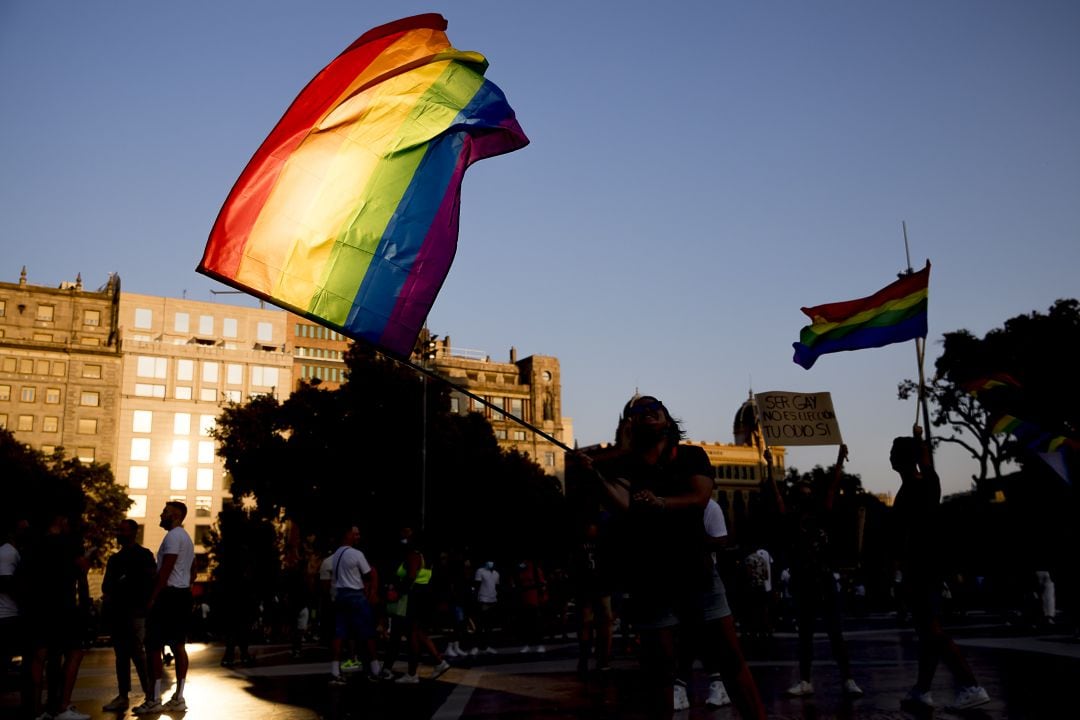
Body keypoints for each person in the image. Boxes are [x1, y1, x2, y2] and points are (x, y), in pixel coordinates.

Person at [570, 394, 716, 714]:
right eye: (639, 411)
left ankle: (718, 685)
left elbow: (699, 497)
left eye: (654, 408)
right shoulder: (627, 466)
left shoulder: (690, 456)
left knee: (724, 655)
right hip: (651, 578)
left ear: (667, 419)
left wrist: (662, 503)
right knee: (659, 668)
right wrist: (596, 471)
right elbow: (620, 504)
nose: (647, 412)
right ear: (630, 425)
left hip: (695, 571)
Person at [890, 429, 990, 711]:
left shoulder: (914, 488)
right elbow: (928, 464)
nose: (890, 455)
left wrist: (902, 572)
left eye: (894, 451)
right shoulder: (927, 483)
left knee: (932, 631)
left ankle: (971, 685)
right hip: (925, 567)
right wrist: (919, 440)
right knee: (926, 632)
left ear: (902, 459)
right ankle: (922, 689)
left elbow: (906, 536)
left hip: (921, 568)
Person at [764, 444, 863, 699]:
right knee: (806, 634)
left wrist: (840, 460)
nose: (805, 495)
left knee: (834, 633)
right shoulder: (792, 519)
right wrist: (767, 466)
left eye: (808, 492)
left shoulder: (821, 514)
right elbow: (777, 499)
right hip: (803, 580)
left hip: (822, 578)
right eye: (802, 492)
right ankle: (807, 680)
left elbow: (832, 488)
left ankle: (847, 679)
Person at [673, 497, 767, 717]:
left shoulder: (709, 507)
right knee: (686, 639)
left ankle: (712, 682)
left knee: (714, 644)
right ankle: (685, 684)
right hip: (678, 581)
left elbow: (720, 540)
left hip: (702, 579)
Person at [23, 512, 93, 720]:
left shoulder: (33, 543)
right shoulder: (69, 542)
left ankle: (36, 711)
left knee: (39, 656)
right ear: (61, 520)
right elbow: (82, 568)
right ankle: (63, 706)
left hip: (38, 605)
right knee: (75, 651)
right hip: (63, 604)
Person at [134, 501, 196, 714]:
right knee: (179, 645)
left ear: (176, 515)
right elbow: (193, 571)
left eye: (165, 512)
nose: (161, 515)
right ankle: (178, 697)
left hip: (168, 596)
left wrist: (153, 597)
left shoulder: (172, 537)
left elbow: (166, 569)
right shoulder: (186, 538)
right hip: (182, 595)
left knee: (153, 645)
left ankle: (154, 698)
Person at [100, 520, 156, 712]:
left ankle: (150, 695)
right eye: (118, 529)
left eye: (122, 530)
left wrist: (123, 582)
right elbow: (106, 586)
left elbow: (148, 582)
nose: (118, 533)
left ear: (134, 532)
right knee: (122, 655)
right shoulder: (115, 559)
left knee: (137, 653)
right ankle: (124, 696)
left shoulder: (144, 555)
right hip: (120, 612)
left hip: (136, 612)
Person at [381, 527, 450, 683]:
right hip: (423, 597)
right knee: (417, 633)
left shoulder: (413, 555)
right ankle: (437, 662)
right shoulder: (426, 557)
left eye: (407, 534)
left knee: (413, 635)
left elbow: (410, 577)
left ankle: (414, 673)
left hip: (412, 599)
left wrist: (396, 592)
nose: (403, 536)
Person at [327, 524, 381, 684]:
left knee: (339, 633)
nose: (358, 537)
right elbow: (369, 573)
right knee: (367, 631)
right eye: (355, 534)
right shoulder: (357, 554)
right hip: (356, 595)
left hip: (341, 594)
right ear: (348, 535)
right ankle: (375, 668)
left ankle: (335, 670)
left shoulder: (336, 554)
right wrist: (372, 592)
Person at [570, 517, 614, 675]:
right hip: (588, 587)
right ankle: (588, 658)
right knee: (587, 622)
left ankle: (602, 659)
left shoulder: (603, 542)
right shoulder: (578, 543)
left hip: (600, 586)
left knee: (603, 622)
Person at [513, 558, 549, 654]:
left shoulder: (536, 571)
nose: (523, 563)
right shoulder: (520, 571)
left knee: (537, 623)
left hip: (535, 600)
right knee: (526, 624)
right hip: (524, 600)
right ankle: (527, 644)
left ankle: (540, 644)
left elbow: (542, 584)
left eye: (525, 561)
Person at [472, 559, 500, 655]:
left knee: (489, 626)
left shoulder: (496, 574)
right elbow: (477, 586)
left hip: (493, 601)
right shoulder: (480, 571)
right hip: (483, 601)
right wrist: (476, 600)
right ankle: (476, 646)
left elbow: (496, 587)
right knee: (480, 625)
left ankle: (486, 646)